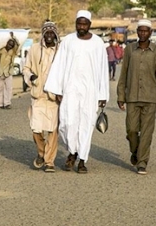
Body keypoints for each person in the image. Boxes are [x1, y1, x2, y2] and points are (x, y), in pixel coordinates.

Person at [44, 10, 109, 174]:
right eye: (79, 23)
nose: (81, 26)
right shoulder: (68, 41)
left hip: (91, 91)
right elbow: (59, 64)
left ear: (90, 25)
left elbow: (102, 69)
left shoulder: (98, 43)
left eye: (84, 23)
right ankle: (72, 151)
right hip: (70, 89)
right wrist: (58, 89)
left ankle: (82, 160)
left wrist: (103, 94)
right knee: (67, 123)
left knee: (86, 124)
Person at [117, 20, 156, 175]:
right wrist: (121, 95)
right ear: (137, 32)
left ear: (151, 33)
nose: (143, 34)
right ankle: (135, 151)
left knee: (146, 131)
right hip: (132, 96)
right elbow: (124, 73)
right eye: (140, 31)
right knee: (131, 129)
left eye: (146, 31)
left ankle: (142, 162)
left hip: (150, 97)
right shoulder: (130, 50)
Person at [23, 21, 60, 173]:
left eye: (52, 33)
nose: (49, 36)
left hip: (54, 97)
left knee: (53, 130)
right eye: (47, 33)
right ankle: (41, 153)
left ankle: (49, 161)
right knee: (36, 129)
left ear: (56, 34)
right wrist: (31, 77)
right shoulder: (34, 49)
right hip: (38, 95)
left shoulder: (61, 51)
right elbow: (26, 67)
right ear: (43, 34)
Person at [0, 37, 17, 109]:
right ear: (6, 43)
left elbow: (18, 45)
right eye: (9, 44)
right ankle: (0, 104)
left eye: (11, 45)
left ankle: (7, 103)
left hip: (8, 72)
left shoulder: (13, 52)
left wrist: (13, 37)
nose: (10, 46)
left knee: (8, 88)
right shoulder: (0, 50)